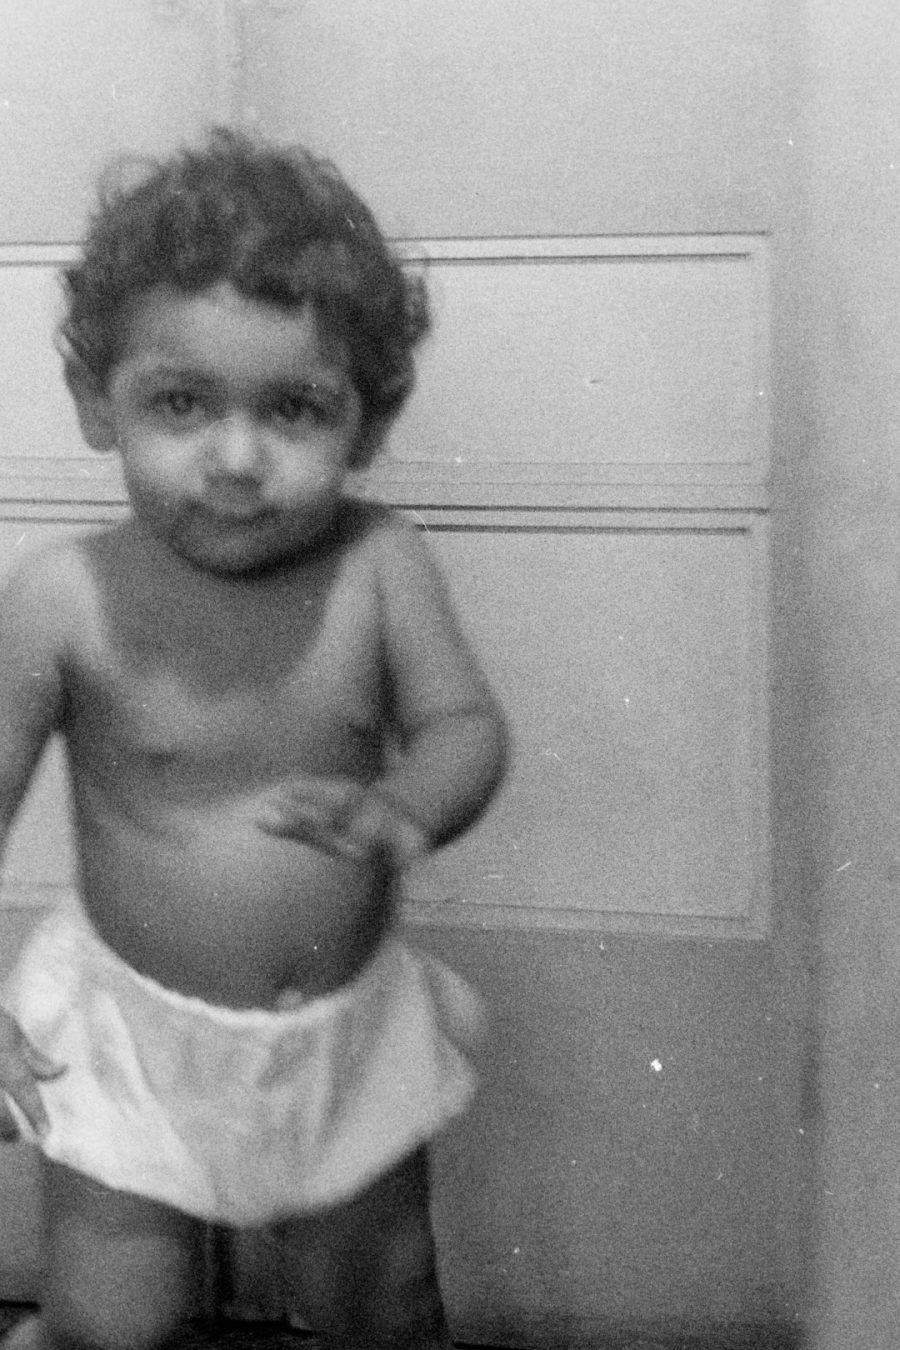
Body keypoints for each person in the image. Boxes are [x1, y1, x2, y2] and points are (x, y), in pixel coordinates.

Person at [0, 129, 508, 1350]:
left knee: (382, 1308)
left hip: (344, 1038)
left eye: (294, 409)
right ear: (97, 403)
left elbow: (463, 726)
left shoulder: (380, 566)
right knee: (107, 1323)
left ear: (369, 422)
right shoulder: (65, 596)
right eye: (181, 403)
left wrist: (408, 807)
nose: (237, 460)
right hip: (130, 1038)